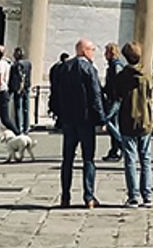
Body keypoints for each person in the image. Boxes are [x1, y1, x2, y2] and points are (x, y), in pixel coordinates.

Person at [54, 39, 107, 209]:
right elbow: (95, 94)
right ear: (84, 51)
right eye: (92, 49)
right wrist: (101, 119)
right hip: (86, 120)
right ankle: (89, 197)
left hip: (68, 120)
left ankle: (65, 197)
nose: (93, 52)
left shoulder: (63, 68)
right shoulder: (89, 68)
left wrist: (58, 114)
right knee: (88, 159)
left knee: (67, 159)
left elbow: (55, 93)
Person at [115, 41, 153, 207]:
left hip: (127, 119)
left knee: (130, 158)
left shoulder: (122, 76)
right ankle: (148, 195)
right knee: (146, 158)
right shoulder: (146, 76)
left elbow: (116, 93)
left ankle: (133, 196)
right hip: (145, 119)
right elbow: (150, 94)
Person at [101, 43, 125, 162]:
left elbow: (117, 83)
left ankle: (121, 144)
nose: (104, 55)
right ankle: (115, 150)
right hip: (112, 97)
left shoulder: (116, 66)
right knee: (114, 124)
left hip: (115, 99)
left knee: (106, 120)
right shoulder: (113, 65)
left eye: (106, 52)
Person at [9, 47, 32, 136]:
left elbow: (19, 76)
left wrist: (15, 88)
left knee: (18, 108)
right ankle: (26, 127)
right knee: (26, 108)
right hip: (27, 87)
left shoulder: (16, 65)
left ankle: (19, 128)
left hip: (19, 88)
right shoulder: (28, 63)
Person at [47, 52, 70, 130]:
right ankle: (60, 122)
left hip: (55, 90)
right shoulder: (64, 67)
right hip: (62, 91)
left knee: (57, 108)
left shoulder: (54, 67)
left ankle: (59, 122)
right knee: (61, 108)